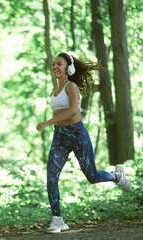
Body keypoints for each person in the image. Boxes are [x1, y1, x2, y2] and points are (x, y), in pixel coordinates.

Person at [36, 52, 132, 234]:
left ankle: (117, 177)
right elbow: (60, 112)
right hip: (60, 138)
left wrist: (48, 122)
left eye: (60, 63)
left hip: (78, 134)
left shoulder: (71, 87)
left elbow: (73, 111)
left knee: (92, 176)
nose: (55, 66)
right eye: (54, 63)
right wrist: (53, 124)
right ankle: (58, 220)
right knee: (51, 176)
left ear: (69, 68)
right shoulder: (54, 92)